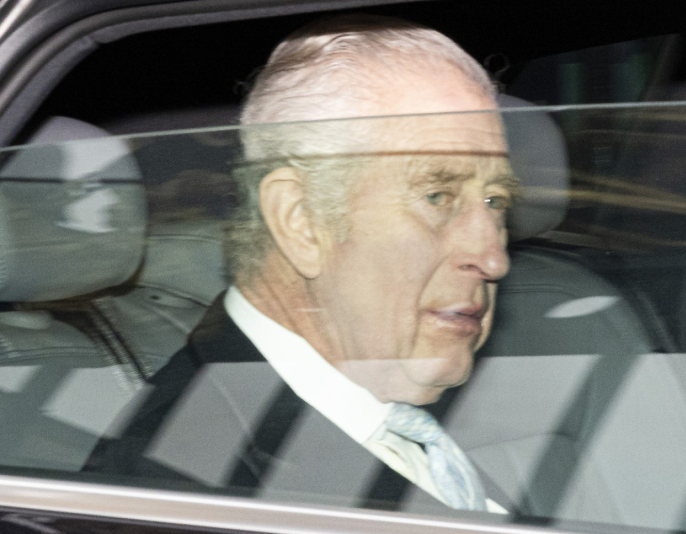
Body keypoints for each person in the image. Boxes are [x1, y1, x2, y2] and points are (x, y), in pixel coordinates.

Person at [87, 14, 518, 515]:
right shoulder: (183, 488)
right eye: (437, 196)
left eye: (495, 201)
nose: (494, 258)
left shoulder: (382, 410)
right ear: (301, 220)